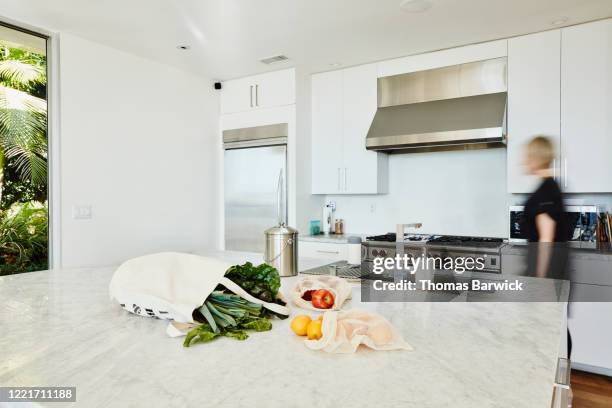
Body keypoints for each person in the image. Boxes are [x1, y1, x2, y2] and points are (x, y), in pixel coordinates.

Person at [522, 135, 571, 356]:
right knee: (554, 329)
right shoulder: (550, 187)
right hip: (552, 273)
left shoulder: (545, 192)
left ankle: (560, 384)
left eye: (527, 156)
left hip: (548, 274)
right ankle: (562, 383)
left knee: (550, 332)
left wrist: (541, 280)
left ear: (536, 157)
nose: (524, 161)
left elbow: (546, 239)